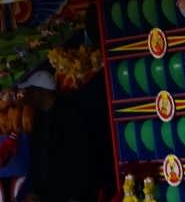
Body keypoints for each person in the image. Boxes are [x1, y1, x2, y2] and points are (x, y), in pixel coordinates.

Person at [19, 66, 114, 202]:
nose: (27, 96)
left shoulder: (69, 112)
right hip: (51, 195)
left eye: (30, 91)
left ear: (40, 91)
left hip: (74, 194)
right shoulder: (38, 121)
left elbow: (81, 153)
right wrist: (35, 191)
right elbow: (39, 161)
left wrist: (77, 194)